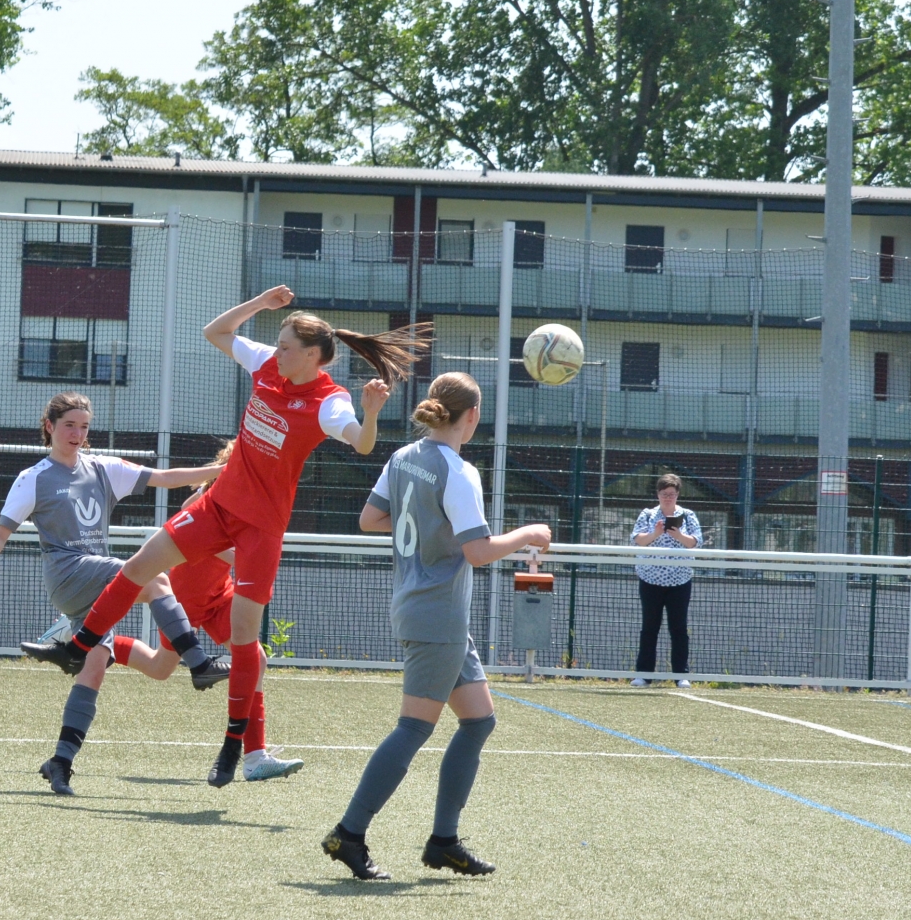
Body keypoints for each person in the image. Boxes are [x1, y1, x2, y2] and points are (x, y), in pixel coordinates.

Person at [61, 286, 429, 786]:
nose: (277, 352)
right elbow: (215, 332)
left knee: (243, 646)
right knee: (139, 569)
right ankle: (79, 644)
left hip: (260, 530)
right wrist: (261, 302)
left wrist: (371, 413)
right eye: (277, 344)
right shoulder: (268, 367)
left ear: (313, 356)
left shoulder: (329, 401)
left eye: (286, 346)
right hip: (217, 510)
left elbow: (362, 445)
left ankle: (238, 748)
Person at [323, 372, 551, 881]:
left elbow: (369, 519)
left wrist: (431, 525)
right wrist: (527, 533)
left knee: (479, 720)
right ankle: (348, 832)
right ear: (472, 416)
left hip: (423, 608)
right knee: (413, 727)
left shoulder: (403, 457)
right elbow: (478, 552)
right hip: (437, 614)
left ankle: (443, 841)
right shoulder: (458, 470)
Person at [0, 393, 227, 796]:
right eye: (69, 425)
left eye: (84, 426)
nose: (77, 433)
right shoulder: (33, 477)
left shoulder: (103, 468)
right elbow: (1, 531)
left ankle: (60, 762)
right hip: (70, 576)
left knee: (93, 670)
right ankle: (198, 663)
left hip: (100, 587)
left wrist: (221, 471)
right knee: (155, 578)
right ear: (50, 427)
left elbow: (165, 477)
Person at [109, 442, 306, 781]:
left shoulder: (251, 497)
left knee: (256, 658)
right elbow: (197, 517)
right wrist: (253, 549)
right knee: (159, 667)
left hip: (218, 594)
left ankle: (255, 756)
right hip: (184, 599)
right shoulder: (217, 493)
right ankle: (102, 644)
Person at [628, 472, 701, 689]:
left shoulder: (688, 515)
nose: (668, 498)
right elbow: (638, 540)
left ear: (677, 495)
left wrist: (678, 535)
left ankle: (681, 675)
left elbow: (695, 542)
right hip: (650, 579)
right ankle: (643, 675)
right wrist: (656, 533)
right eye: (664, 494)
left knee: (679, 628)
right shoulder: (647, 514)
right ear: (658, 494)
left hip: (680, 580)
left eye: (671, 494)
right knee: (649, 627)